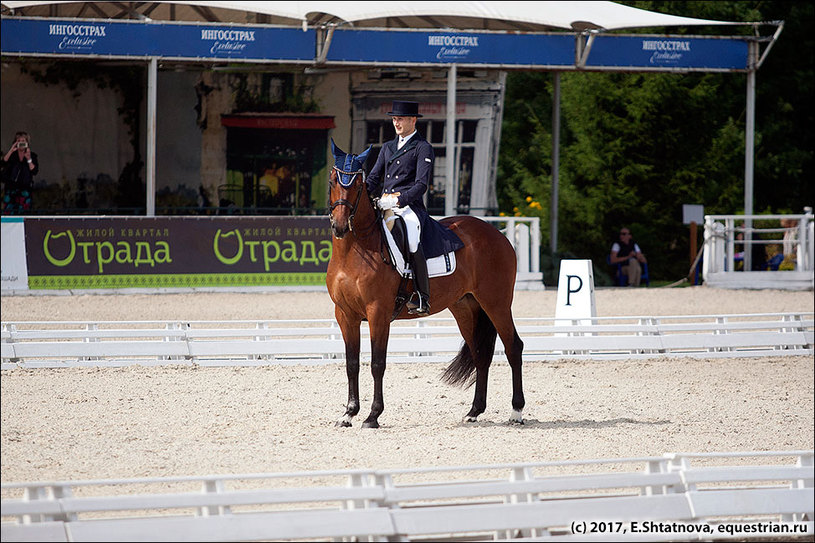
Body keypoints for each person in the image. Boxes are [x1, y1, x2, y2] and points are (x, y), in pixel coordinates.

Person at [366, 100, 464, 315]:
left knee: (411, 239)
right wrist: (362, 195)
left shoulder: (422, 147)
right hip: (383, 204)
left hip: (408, 207)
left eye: (400, 119)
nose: (396, 123)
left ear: (413, 120)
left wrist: (397, 200)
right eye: (394, 119)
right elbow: (374, 178)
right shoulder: (388, 147)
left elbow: (421, 185)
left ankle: (421, 296)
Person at [1, 131, 39, 214]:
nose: (21, 143)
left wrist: (29, 159)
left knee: (24, 212)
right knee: (8, 212)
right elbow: (3, 163)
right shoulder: (12, 155)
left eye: (23, 141)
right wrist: (11, 150)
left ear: (27, 143)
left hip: (25, 188)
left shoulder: (32, 155)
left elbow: (34, 171)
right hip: (11, 187)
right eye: (19, 141)